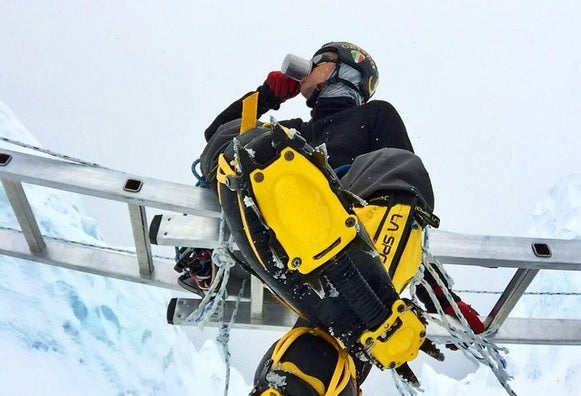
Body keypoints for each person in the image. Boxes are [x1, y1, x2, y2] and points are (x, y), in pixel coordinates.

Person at [197, 41, 484, 395]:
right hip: (290, 234)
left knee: (400, 166)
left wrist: (440, 297)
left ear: (345, 70)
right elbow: (217, 139)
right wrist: (266, 95)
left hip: (356, 225)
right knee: (251, 145)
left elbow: (406, 213)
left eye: (320, 61)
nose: (308, 68)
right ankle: (374, 315)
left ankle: (346, 324)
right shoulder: (291, 132)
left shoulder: (375, 116)